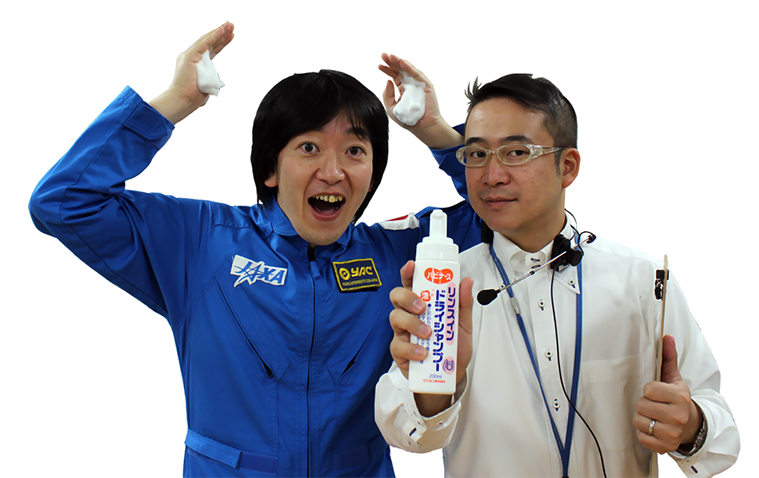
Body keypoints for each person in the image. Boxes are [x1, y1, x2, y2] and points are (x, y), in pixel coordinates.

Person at [28, 24, 480, 477]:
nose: (333, 171)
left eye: (355, 151)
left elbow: (495, 210)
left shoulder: (400, 251)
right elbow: (64, 201)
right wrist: (175, 102)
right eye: (309, 147)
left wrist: (437, 133)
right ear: (270, 169)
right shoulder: (201, 241)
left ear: (373, 172)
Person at [375, 73, 740, 477]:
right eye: (477, 154)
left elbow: (722, 437)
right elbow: (404, 431)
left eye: (516, 152)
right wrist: (438, 383)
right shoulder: (446, 286)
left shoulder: (642, 280)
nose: (491, 175)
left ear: (567, 166)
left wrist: (690, 427)